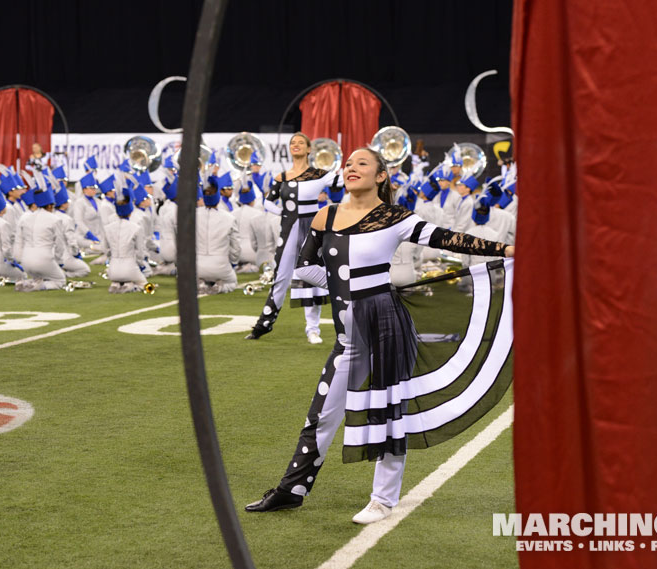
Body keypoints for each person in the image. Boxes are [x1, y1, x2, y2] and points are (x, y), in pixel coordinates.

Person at [245, 147, 514, 523]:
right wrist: (346, 289)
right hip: (348, 337)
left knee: (388, 410)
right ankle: (292, 489)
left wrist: (506, 249)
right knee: (321, 415)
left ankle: (383, 500)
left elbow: (448, 239)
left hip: (386, 325)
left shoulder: (396, 218)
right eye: (349, 164)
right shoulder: (327, 214)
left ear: (381, 176)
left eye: (362, 164)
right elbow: (305, 268)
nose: (351, 168)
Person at [245, 132, 335, 344]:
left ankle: (313, 329)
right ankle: (264, 324)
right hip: (288, 229)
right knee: (281, 276)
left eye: (300, 143)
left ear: (309, 149)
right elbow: (268, 201)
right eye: (292, 143)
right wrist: (282, 213)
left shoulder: (320, 174)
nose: (295, 145)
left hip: (313, 229)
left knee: (312, 276)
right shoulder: (282, 177)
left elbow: (345, 183)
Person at [196, 180, 241, 294]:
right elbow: (236, 247)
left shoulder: (192, 216)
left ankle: (200, 283)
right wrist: (233, 263)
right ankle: (220, 287)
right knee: (232, 282)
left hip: (197, 266)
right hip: (220, 265)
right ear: (218, 198)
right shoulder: (229, 218)